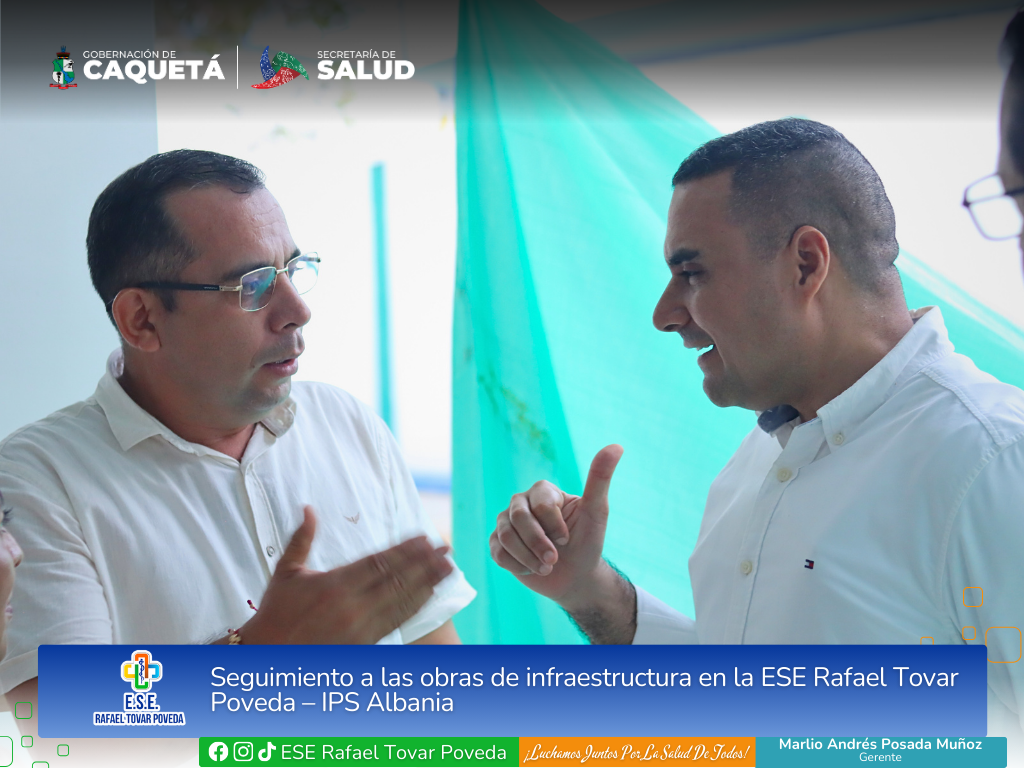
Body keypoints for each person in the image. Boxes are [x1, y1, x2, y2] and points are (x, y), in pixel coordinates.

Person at [491, 118, 1024, 743]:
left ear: (805, 264)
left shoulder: (991, 462)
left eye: (693, 273)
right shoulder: (753, 468)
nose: (665, 314)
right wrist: (591, 592)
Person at [0, 150, 475, 765]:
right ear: (141, 319)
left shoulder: (345, 423)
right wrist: (258, 657)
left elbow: (438, 671)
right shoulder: (38, 480)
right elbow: (56, 733)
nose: (297, 309)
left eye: (293, 269)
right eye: (253, 286)